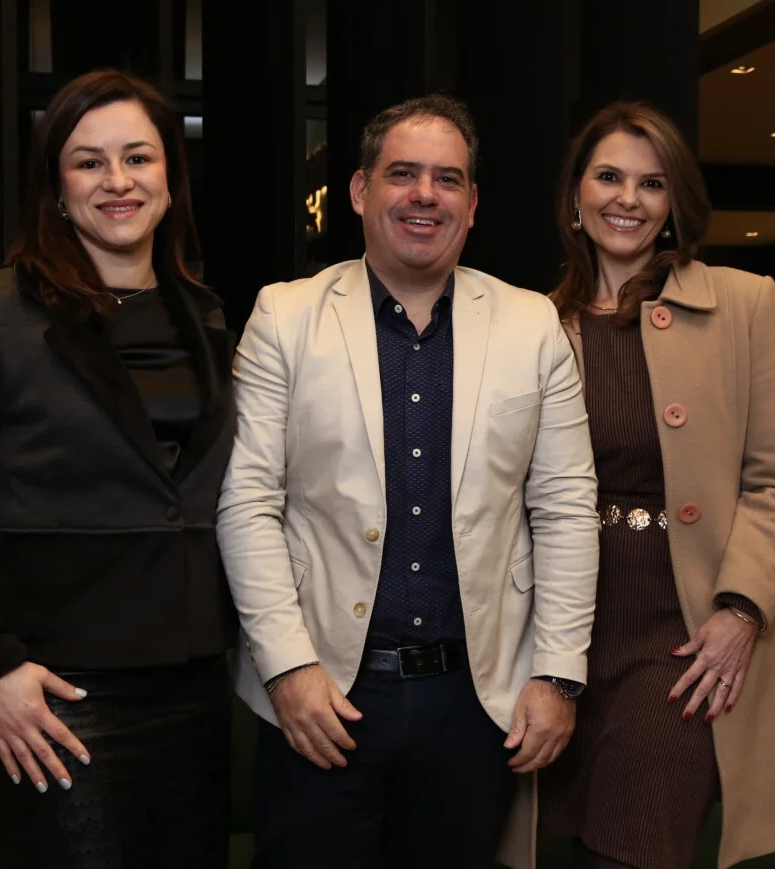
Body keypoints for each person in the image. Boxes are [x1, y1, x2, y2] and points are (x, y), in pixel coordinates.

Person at [216, 94, 600, 869]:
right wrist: (287, 668)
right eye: (403, 174)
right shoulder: (284, 317)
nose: (426, 195)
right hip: (324, 696)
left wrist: (558, 675)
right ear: (361, 191)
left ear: (472, 204)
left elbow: (566, 509)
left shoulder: (532, 326)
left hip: (477, 703)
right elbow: (248, 502)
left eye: (447, 179)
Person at [0, 69, 236, 868]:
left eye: (138, 158)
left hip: (194, 687)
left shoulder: (207, 313)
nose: (118, 180)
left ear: (170, 178)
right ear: (56, 185)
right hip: (54, 691)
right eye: (88, 162)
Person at [538, 101, 775, 869]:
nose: (628, 198)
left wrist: (741, 609)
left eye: (652, 183)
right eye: (609, 177)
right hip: (562, 632)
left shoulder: (743, 303)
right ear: (576, 194)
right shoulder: (533, 325)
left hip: (686, 633)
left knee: (635, 845)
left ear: (673, 205)